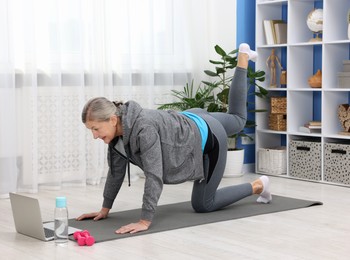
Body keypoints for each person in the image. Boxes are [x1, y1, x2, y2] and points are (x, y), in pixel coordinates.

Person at [77, 43, 272, 234]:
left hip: (208, 136)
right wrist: (105, 209)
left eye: (95, 129)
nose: (94, 135)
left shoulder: (144, 129)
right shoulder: (118, 132)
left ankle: (258, 185)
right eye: (91, 131)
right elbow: (116, 171)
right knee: (238, 120)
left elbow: (154, 174)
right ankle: (244, 58)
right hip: (189, 119)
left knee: (204, 204)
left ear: (112, 119)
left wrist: (145, 220)